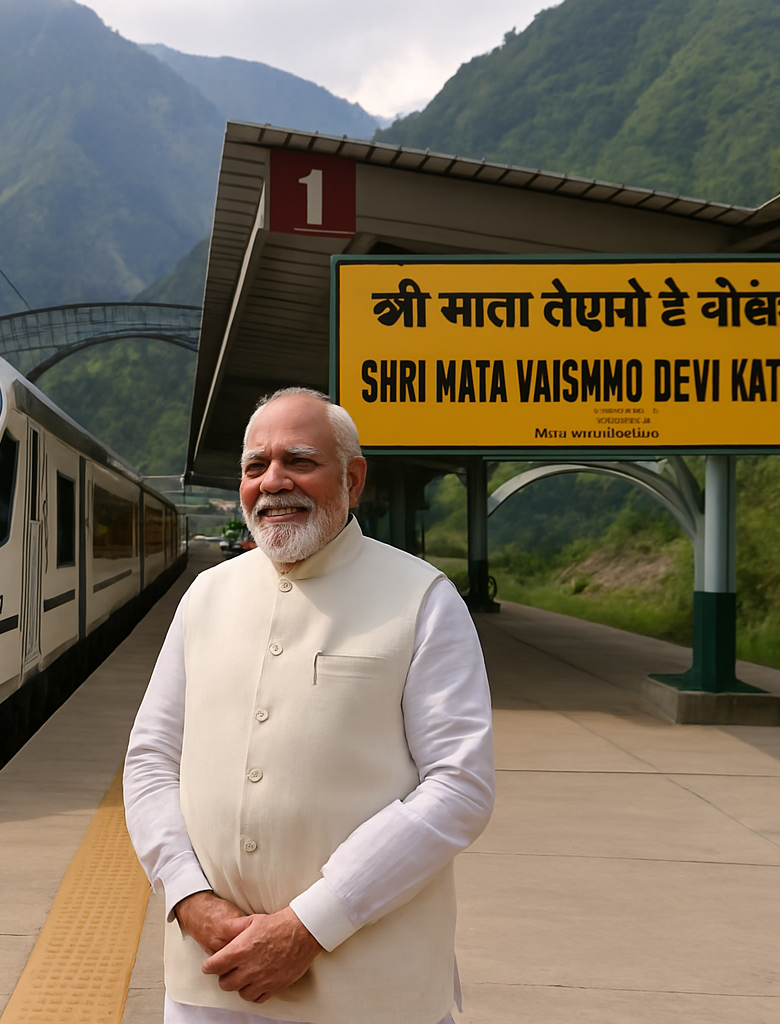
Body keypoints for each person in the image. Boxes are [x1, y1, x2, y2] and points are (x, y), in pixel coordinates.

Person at [123, 388, 495, 1024]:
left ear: (352, 478)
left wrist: (308, 927)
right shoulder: (205, 597)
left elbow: (460, 788)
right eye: (254, 466)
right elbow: (152, 757)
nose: (273, 482)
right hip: (210, 980)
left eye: (298, 460)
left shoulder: (423, 600)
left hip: (371, 993)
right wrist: (188, 897)